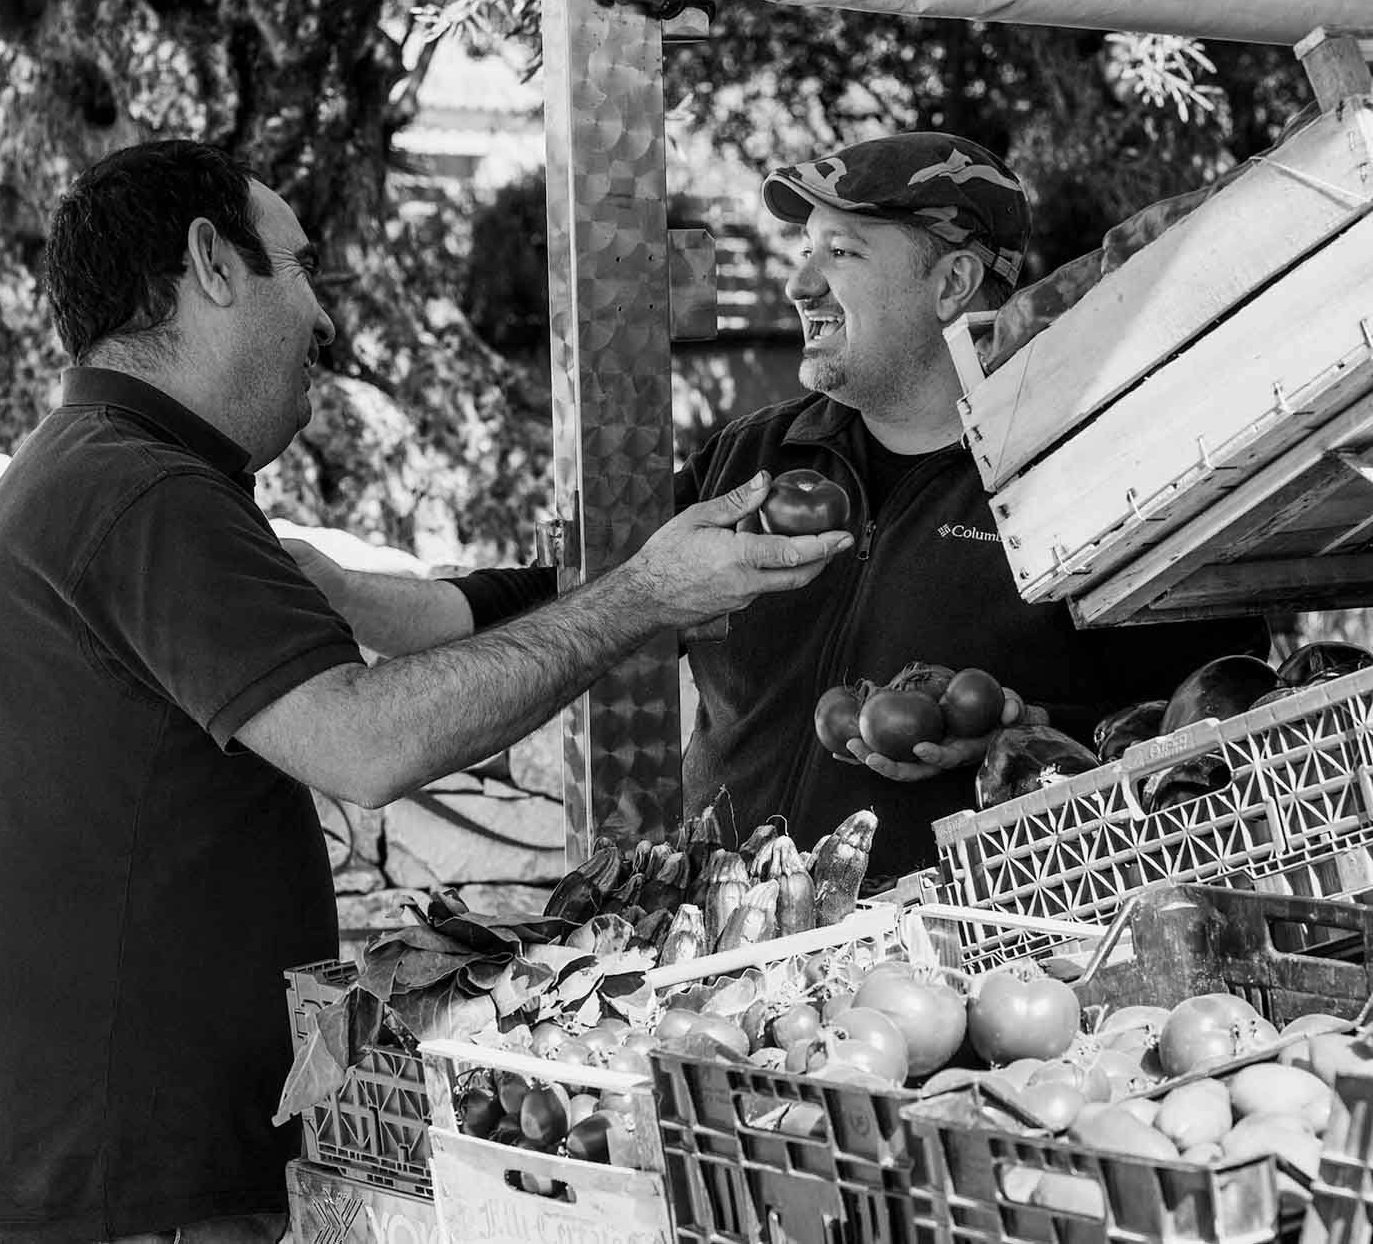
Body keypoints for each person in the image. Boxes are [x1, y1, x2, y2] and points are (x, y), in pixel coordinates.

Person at [0, 140, 849, 1244]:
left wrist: (375, 595)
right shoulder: (143, 491)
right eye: (301, 268)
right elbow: (365, 743)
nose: (323, 318)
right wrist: (640, 595)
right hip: (115, 1183)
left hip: (76, 1160)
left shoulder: (95, 468)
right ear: (210, 262)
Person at [288, 131, 1266, 879]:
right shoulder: (753, 458)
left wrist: (1024, 731)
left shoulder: (1090, 471)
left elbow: (1195, 744)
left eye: (837, 251)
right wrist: (349, 593)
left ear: (953, 281)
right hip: (737, 958)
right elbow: (563, 597)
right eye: (801, 247)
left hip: (967, 985)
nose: (797, 281)